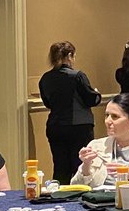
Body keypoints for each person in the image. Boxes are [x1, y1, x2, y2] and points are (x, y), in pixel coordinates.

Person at [39, 40, 102, 184]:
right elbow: (91, 99)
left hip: (55, 126)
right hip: (79, 127)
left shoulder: (45, 78)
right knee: (80, 166)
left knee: (60, 167)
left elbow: (47, 103)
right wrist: (97, 94)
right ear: (69, 56)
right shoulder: (77, 76)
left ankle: (59, 199)